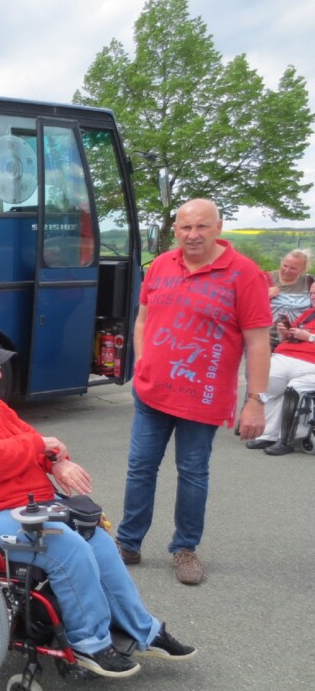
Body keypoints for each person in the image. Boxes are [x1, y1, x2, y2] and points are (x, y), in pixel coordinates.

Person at [0, 329, 196, 678]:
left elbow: (34, 443)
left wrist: (55, 462)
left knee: (97, 540)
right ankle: (89, 643)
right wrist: (39, 448)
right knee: (68, 547)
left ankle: (142, 628)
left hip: (18, 507)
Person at [117, 199, 271, 586]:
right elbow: (143, 318)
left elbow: (257, 341)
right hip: (152, 391)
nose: (193, 235)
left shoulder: (244, 274)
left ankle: (184, 548)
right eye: (185, 228)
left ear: (219, 227)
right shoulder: (162, 265)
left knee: (192, 473)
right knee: (140, 469)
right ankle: (128, 543)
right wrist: (141, 362)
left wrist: (255, 400)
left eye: (202, 227)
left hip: (202, 397)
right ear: (176, 230)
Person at [245, 307, 315, 455]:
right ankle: (268, 434)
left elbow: (306, 337)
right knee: (266, 382)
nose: (313, 297)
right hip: (286, 355)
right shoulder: (309, 313)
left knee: (294, 389)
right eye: (312, 294)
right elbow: (289, 340)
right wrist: (285, 334)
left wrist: (309, 337)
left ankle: (286, 440)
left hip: (311, 363)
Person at [267, 249, 313, 344]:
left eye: (293, 268)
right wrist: (264, 297)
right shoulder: (266, 278)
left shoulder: (309, 281)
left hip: (299, 340)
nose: (287, 270)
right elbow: (245, 307)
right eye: (285, 265)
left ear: (303, 269)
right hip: (267, 339)